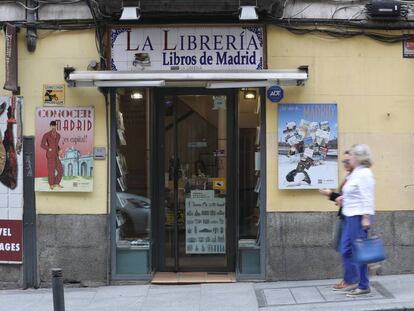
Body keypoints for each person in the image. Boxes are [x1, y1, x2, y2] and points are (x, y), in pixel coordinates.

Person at [336, 144, 375, 296]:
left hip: (359, 217)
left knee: (359, 252)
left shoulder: (365, 173)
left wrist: (366, 218)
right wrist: (342, 198)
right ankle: (354, 280)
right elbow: (354, 193)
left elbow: (367, 196)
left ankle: (363, 285)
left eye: (351, 155)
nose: (348, 158)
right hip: (350, 215)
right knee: (346, 250)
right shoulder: (355, 173)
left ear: (359, 157)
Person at [319, 150, 357, 291]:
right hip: (345, 215)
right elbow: (345, 197)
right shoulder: (350, 176)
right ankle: (352, 277)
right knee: (343, 247)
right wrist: (337, 198)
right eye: (343, 161)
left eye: (347, 161)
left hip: (350, 216)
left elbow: (353, 198)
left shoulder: (357, 176)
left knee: (345, 248)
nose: (345, 164)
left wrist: (330, 194)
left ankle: (352, 279)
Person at [40, 120, 64, 190]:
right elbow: (42, 145)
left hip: (56, 155)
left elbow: (56, 145)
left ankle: (56, 183)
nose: (54, 127)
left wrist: (60, 150)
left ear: (56, 126)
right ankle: (51, 184)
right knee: (51, 170)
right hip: (50, 155)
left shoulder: (58, 135)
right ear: (50, 126)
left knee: (61, 170)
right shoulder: (46, 135)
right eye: (52, 126)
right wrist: (48, 148)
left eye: (55, 126)